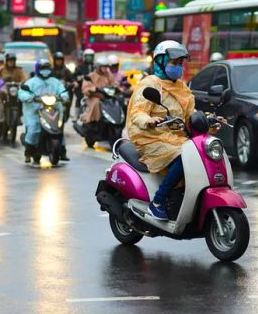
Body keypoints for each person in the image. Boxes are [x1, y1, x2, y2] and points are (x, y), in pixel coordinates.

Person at [126, 40, 194, 220]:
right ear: (160, 62)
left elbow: (190, 115)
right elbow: (138, 112)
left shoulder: (182, 87)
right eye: (174, 63)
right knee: (183, 158)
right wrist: (149, 120)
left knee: (199, 156)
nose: (178, 68)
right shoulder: (150, 84)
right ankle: (158, 202)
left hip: (175, 137)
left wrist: (209, 120)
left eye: (180, 64)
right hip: (151, 136)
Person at [19, 59, 70, 163]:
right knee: (33, 129)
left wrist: (64, 96)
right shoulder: (32, 82)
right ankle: (28, 152)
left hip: (53, 110)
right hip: (35, 111)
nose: (45, 71)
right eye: (43, 68)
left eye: (47, 68)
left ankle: (63, 151)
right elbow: (22, 92)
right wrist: (29, 97)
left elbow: (63, 91)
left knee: (58, 128)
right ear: (38, 70)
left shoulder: (55, 82)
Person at [80, 56, 118, 124]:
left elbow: (114, 83)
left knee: (117, 102)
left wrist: (116, 87)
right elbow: (85, 89)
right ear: (98, 66)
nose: (106, 69)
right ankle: (93, 121)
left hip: (107, 96)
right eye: (104, 67)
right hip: (94, 97)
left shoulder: (109, 75)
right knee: (96, 102)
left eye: (107, 67)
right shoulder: (91, 76)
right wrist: (94, 91)